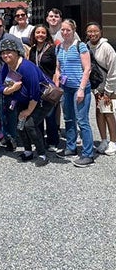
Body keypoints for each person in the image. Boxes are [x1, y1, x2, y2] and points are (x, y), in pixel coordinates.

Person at [0, 39, 54, 166]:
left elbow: (35, 92)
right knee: (20, 124)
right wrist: (12, 89)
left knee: (30, 124)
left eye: (9, 52)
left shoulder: (27, 67)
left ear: (17, 53)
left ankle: (42, 155)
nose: (6, 55)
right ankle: (28, 151)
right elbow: (1, 88)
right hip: (22, 98)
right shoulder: (6, 67)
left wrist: (28, 111)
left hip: (42, 99)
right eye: (3, 53)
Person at [55, 19, 94, 167]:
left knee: (82, 120)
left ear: (74, 30)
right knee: (69, 119)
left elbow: (87, 69)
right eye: (63, 30)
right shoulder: (58, 47)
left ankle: (88, 153)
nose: (65, 33)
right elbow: (58, 69)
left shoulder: (80, 46)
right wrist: (57, 85)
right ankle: (71, 147)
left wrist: (82, 89)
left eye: (68, 30)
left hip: (80, 88)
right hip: (66, 88)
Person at [0, 14, 25, 150]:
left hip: (9, 78)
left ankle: (12, 138)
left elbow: (22, 57)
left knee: (10, 108)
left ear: (4, 27)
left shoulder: (11, 39)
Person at [86, 22, 116, 156]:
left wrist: (108, 91)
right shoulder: (86, 46)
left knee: (108, 112)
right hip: (97, 87)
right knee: (99, 112)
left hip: (108, 87)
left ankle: (113, 141)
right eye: (90, 31)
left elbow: (113, 70)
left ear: (101, 32)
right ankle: (103, 140)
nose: (92, 34)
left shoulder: (107, 47)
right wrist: (95, 89)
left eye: (95, 31)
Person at [28, 24, 59, 152]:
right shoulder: (33, 50)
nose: (40, 35)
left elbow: (57, 68)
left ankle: (53, 141)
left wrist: (56, 84)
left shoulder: (52, 49)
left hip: (49, 86)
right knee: (37, 116)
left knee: (50, 115)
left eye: (43, 33)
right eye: (37, 33)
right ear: (34, 35)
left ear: (47, 35)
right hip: (36, 86)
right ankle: (39, 140)